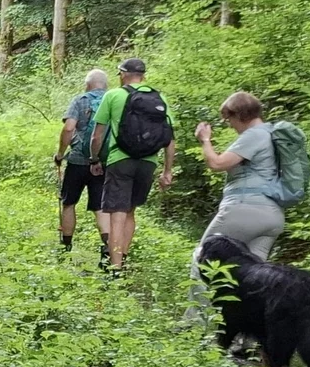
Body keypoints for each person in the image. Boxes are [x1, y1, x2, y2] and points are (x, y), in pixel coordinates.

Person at [87, 56, 175, 274]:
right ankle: (123, 259)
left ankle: (115, 270)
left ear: (123, 74)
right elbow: (169, 138)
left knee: (116, 215)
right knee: (130, 212)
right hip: (148, 162)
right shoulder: (159, 97)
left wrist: (94, 159)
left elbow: (97, 136)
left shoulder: (113, 95)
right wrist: (167, 171)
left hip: (120, 160)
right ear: (143, 76)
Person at [194, 90, 284, 261]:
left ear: (239, 114)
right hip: (272, 214)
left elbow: (217, 163)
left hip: (246, 209)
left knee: (204, 258)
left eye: (229, 119)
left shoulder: (255, 134)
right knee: (252, 272)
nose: (230, 125)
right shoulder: (272, 134)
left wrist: (205, 140)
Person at [55, 68, 111, 262]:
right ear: (106, 85)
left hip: (77, 161)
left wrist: (60, 154)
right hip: (102, 162)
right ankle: (108, 248)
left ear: (87, 85)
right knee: (100, 207)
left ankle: (66, 247)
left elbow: (69, 128)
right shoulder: (113, 100)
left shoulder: (80, 100)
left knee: (69, 202)